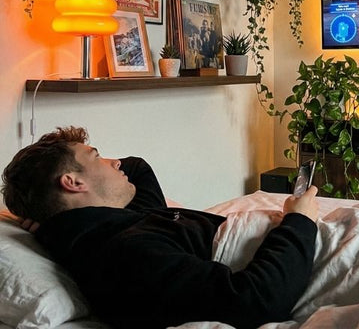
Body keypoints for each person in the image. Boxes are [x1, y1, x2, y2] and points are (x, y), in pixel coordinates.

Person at [1, 127, 319, 329]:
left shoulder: (122, 218)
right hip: (299, 247)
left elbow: (137, 167)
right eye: (97, 157)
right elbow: (256, 301)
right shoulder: (127, 253)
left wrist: (54, 219)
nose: (116, 162)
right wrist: (300, 221)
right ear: (73, 182)